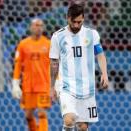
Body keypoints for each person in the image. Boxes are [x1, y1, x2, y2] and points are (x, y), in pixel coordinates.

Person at [49, 2, 109, 131]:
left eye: (79, 22)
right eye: (74, 22)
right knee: (69, 119)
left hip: (87, 88)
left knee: (82, 127)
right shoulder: (58, 36)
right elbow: (54, 63)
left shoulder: (92, 34)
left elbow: (100, 55)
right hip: (67, 87)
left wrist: (104, 73)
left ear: (83, 19)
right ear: (67, 18)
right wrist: (52, 86)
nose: (76, 25)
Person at [12, 18, 51, 131]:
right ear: (30, 27)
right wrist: (15, 83)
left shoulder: (48, 44)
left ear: (43, 28)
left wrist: (57, 81)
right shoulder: (23, 44)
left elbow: (54, 65)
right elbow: (18, 65)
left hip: (43, 85)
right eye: (35, 25)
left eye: (40, 25)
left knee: (42, 112)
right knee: (28, 115)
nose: (38, 28)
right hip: (28, 85)